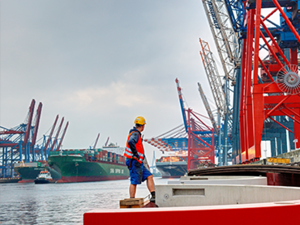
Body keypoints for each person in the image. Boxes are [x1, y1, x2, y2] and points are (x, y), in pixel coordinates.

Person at [124, 116, 156, 202]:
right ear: (142, 126)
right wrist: (136, 154)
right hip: (134, 161)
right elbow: (131, 142)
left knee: (149, 176)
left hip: (138, 161)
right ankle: (131, 199)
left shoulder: (135, 133)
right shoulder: (135, 134)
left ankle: (153, 195)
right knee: (134, 180)